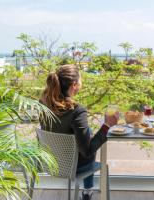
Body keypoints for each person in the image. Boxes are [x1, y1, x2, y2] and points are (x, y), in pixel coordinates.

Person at [40, 65, 119, 200]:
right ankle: (87, 191)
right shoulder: (77, 111)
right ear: (75, 85)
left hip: (50, 163)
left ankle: (88, 190)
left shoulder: (43, 104)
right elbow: (87, 152)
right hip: (72, 167)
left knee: (87, 132)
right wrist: (106, 125)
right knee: (89, 139)